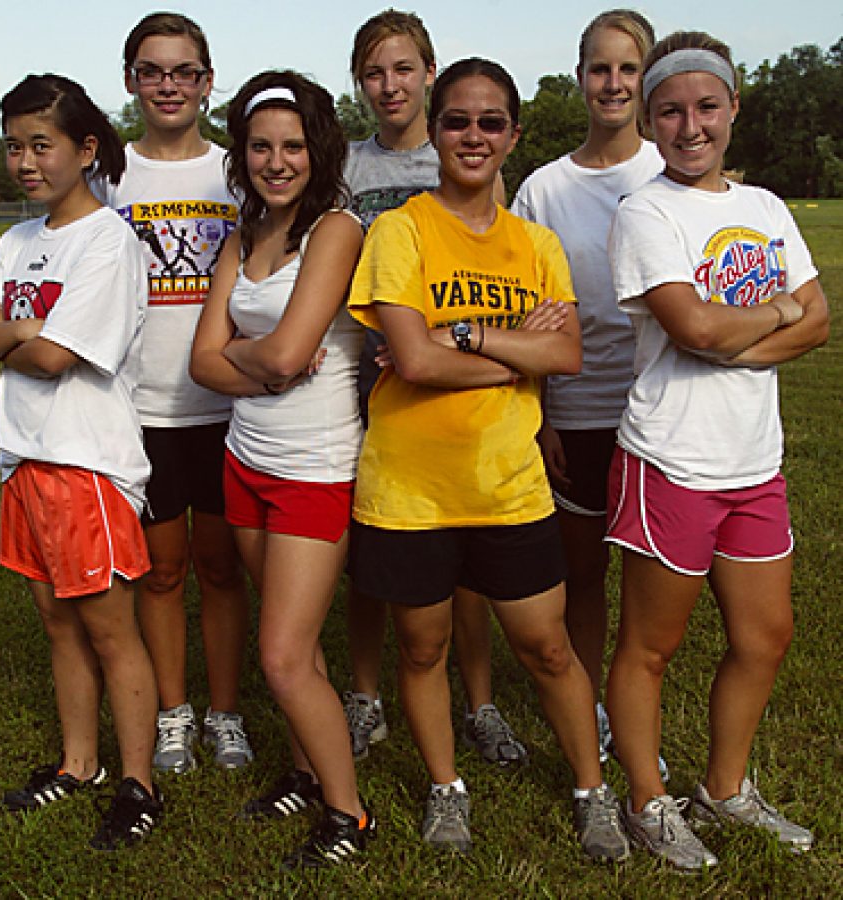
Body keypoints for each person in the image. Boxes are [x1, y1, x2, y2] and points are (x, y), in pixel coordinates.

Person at [347, 57, 628, 861]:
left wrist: (464, 334)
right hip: (411, 487)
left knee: (547, 648)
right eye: (457, 120)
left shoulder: (534, 242)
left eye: (491, 122)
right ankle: (446, 788)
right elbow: (412, 360)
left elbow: (569, 353)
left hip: (510, 485)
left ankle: (591, 790)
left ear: (513, 135)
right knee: (424, 648)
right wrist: (519, 354)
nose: (473, 136)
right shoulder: (399, 230)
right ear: (434, 129)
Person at [604, 31, 829, 869]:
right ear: (650, 120)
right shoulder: (647, 212)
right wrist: (771, 314)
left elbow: (822, 321)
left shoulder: (767, 208)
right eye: (671, 111)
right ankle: (645, 800)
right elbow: (696, 329)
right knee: (650, 647)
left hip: (753, 464)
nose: (689, 125)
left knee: (765, 637)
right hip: (671, 458)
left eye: (705, 106)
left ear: (734, 108)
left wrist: (746, 332)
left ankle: (725, 788)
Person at [0, 74, 162, 850]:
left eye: (41, 145)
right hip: (26, 458)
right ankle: (80, 765)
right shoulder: (17, 242)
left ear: (85, 148)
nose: (25, 162)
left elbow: (48, 357)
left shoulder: (108, 240)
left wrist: (10, 328)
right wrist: (19, 328)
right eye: (14, 146)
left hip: (85, 462)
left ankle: (139, 782)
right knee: (58, 624)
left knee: (111, 630)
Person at [189, 70, 374, 869]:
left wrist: (258, 355)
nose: (276, 160)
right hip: (245, 458)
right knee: (291, 641)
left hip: (313, 462)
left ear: (318, 149)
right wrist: (255, 362)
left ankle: (349, 815)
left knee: (282, 656)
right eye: (260, 145)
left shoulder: (337, 230)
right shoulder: (242, 237)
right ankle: (305, 771)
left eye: (292, 145)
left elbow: (298, 353)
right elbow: (203, 362)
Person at [343, 7, 526, 769]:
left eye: (403, 68)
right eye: (374, 72)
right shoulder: (347, 168)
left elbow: (500, 267)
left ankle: (479, 701)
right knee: (371, 546)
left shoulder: (462, 149)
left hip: (464, 383)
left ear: (428, 72)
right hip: (369, 379)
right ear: (360, 83)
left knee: (467, 554)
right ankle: (364, 697)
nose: (390, 85)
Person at [512, 9, 666, 772]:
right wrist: (537, 412)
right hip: (574, 408)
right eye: (599, 69)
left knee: (646, 583)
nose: (613, 84)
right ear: (580, 79)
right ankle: (591, 712)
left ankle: (633, 702)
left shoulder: (671, 177)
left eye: (627, 69)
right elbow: (522, 310)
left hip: (657, 412)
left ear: (646, 78)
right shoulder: (545, 188)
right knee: (583, 576)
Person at [102, 12, 251, 774]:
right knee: (161, 571)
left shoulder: (236, 172)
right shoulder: (108, 177)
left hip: (227, 408)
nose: (168, 84)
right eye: (153, 70)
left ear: (207, 80)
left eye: (183, 71)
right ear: (131, 79)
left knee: (222, 567)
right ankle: (173, 711)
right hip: (142, 407)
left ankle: (225, 712)